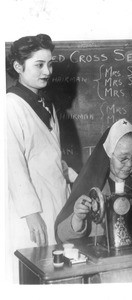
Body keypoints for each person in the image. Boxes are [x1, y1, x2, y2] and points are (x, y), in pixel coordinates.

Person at [6, 34, 77, 282]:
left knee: (56, 274)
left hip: (55, 202)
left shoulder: (46, 103)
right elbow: (11, 163)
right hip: (32, 210)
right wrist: (30, 213)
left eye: (50, 63)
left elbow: (48, 157)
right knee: (34, 273)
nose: (47, 71)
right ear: (18, 66)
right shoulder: (10, 106)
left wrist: (77, 178)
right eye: (39, 64)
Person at [55, 118, 132, 243]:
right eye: (123, 158)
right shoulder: (92, 186)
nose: (130, 164)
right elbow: (62, 236)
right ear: (109, 154)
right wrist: (77, 218)